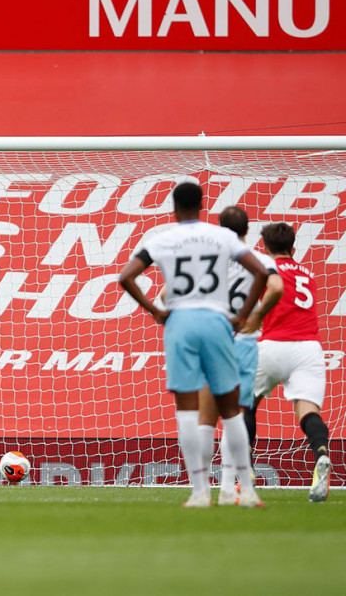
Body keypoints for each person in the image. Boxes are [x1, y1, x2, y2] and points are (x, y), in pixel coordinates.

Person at [118, 182, 269, 508]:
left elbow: (125, 276)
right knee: (231, 411)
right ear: (202, 206)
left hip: (180, 323)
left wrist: (155, 310)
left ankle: (200, 492)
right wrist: (242, 316)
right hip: (216, 321)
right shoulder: (222, 236)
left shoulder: (161, 239)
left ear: (173, 208)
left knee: (187, 411)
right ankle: (247, 492)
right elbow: (260, 272)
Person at [196, 206, 282, 505]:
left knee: (206, 416)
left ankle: (201, 490)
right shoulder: (260, 260)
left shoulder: (207, 258)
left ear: (220, 228)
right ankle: (230, 487)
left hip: (212, 339)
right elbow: (276, 287)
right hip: (244, 340)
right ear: (247, 230)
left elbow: (169, 294)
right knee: (237, 414)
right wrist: (257, 314)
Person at [248, 222, 333, 502]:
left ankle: (246, 470)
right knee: (308, 412)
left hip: (273, 345)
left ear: (265, 248)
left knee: (246, 404)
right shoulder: (308, 274)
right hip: (308, 348)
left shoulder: (266, 271)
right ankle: (321, 454)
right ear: (293, 248)